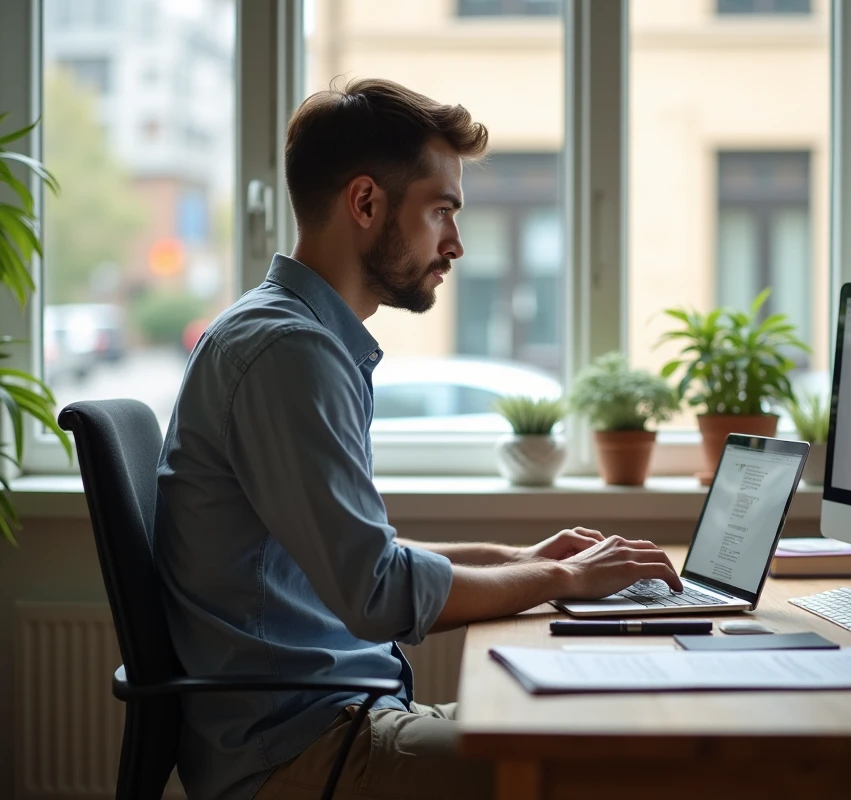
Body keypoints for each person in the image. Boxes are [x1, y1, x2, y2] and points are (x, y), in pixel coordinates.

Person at [154, 78, 683, 800]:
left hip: (334, 725)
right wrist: (560, 579)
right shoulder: (288, 353)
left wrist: (519, 557)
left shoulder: (299, 340)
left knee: (607, 729)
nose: (457, 243)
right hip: (302, 754)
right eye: (441, 212)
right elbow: (376, 594)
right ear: (366, 203)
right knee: (629, 766)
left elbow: (367, 562)